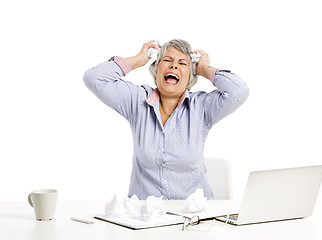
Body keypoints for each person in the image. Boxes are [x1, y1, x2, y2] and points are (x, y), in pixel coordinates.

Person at [83, 39, 249, 200]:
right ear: (156, 71)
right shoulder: (137, 101)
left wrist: (206, 69)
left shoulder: (202, 107)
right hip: (144, 216)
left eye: (182, 63)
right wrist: (138, 60)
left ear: (191, 77)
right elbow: (94, 78)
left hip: (192, 216)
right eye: (167, 60)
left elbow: (239, 91)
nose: (174, 65)